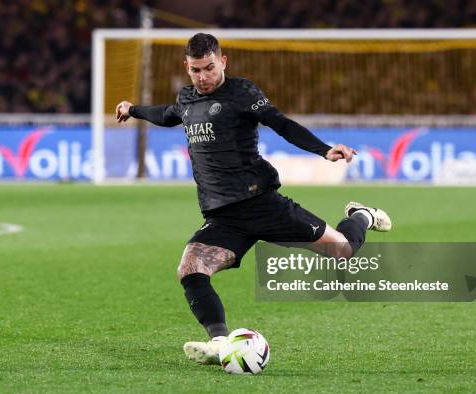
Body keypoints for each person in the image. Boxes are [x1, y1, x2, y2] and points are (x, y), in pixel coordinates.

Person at [115, 33, 391, 365]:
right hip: (223, 216)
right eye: (196, 70)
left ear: (223, 61)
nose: (203, 77)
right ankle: (218, 342)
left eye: (209, 68)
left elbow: (281, 123)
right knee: (190, 268)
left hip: (262, 204)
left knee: (344, 251)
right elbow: (168, 114)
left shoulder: (242, 92)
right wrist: (133, 110)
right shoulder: (187, 98)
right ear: (186, 67)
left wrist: (323, 149)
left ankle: (361, 215)